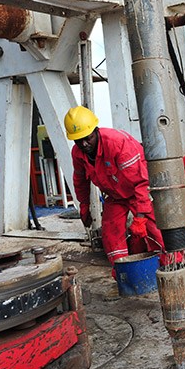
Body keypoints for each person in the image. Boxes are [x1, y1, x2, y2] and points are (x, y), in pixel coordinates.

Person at [64, 106, 165, 278]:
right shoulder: (78, 153)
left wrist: (140, 218)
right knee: (111, 232)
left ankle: (171, 267)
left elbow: (141, 182)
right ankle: (124, 275)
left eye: (87, 138)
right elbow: (80, 180)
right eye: (78, 140)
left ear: (95, 131)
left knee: (154, 230)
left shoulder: (117, 143)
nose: (83, 144)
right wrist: (84, 204)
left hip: (137, 192)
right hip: (115, 196)